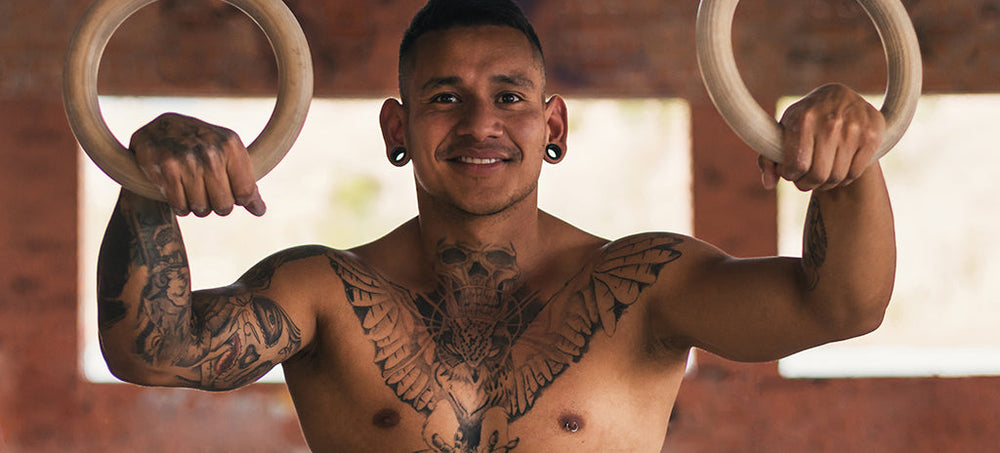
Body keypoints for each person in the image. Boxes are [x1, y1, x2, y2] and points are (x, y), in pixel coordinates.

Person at [94, 0, 895, 451]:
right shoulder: (324, 290)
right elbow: (152, 350)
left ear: (554, 124)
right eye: (445, 97)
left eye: (510, 97)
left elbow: (841, 305)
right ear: (396, 130)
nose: (481, 122)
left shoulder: (645, 283)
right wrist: (146, 185)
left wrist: (848, 159)